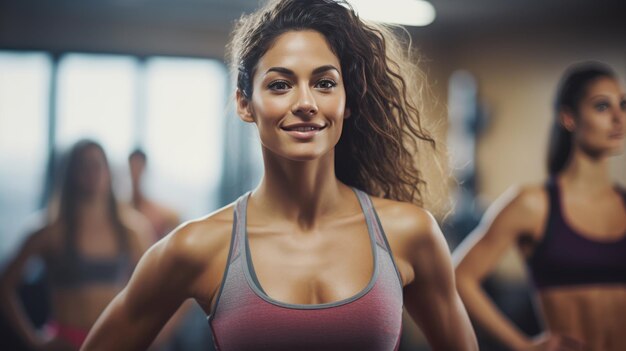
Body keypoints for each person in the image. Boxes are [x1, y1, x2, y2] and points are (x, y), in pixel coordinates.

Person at [81, 1, 478, 350]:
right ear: (244, 103)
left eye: (324, 83)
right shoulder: (196, 247)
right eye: (280, 85)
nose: (305, 102)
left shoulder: (410, 233)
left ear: (348, 101)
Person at [453, 62, 626, 351]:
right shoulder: (533, 204)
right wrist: (523, 346)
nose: (619, 118)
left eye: (622, 104)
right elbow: (459, 278)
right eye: (601, 107)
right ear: (568, 118)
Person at [0, 140, 152, 350]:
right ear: (71, 173)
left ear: (108, 172)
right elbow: (5, 285)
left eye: (97, 164)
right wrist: (33, 340)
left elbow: (160, 287)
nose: (92, 172)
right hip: (66, 344)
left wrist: (153, 335)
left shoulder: (131, 231)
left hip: (115, 343)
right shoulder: (49, 232)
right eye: (83, 165)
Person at [128, 149, 180, 242]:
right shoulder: (121, 210)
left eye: (139, 166)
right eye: (133, 166)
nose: (136, 172)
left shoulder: (161, 213)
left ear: (144, 168)